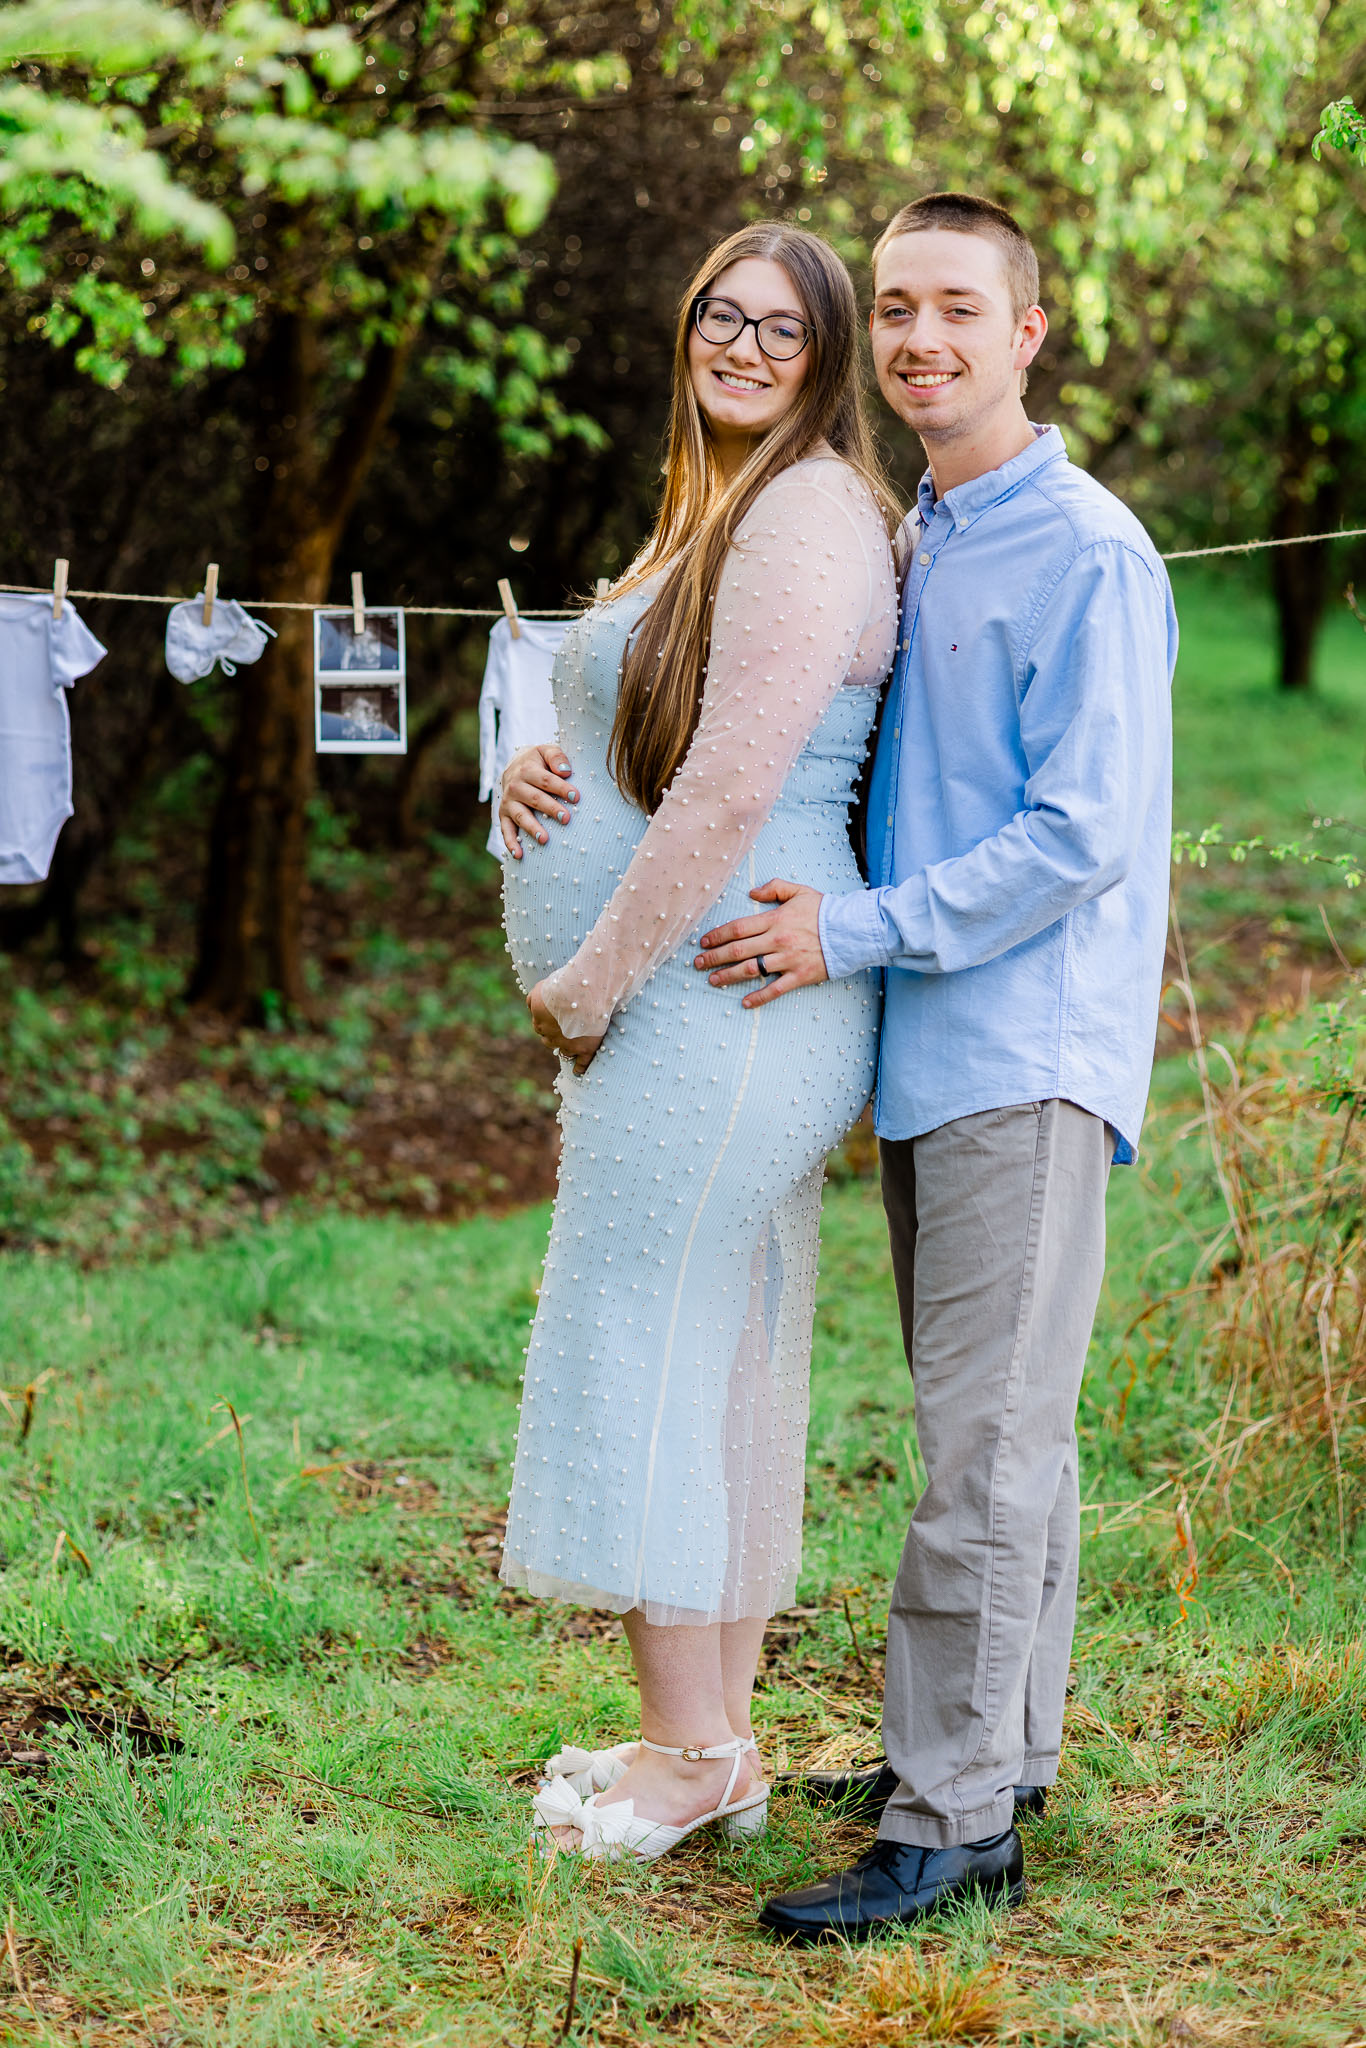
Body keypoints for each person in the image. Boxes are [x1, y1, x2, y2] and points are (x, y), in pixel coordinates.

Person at [691, 192, 1177, 1939]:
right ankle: (995, 1755)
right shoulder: (925, 533)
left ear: (1026, 331)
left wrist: (851, 931)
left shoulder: (1084, 549)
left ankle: (950, 1820)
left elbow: (1077, 835)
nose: (919, 339)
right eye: (894, 306)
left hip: (1022, 1056)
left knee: (979, 1446)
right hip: (932, 1052)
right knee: (1001, 1429)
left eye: (958, 308)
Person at [496, 221, 899, 1862]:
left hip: (714, 1004)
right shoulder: (725, 501)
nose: (740, 346)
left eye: (780, 329)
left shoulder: (802, 508)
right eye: (720, 316)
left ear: (826, 360)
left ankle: (680, 1755)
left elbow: (733, 787)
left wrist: (591, 979)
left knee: (643, 1343)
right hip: (710, 1006)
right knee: (718, 1352)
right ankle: (714, 1744)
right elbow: (656, 736)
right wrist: (543, 763)